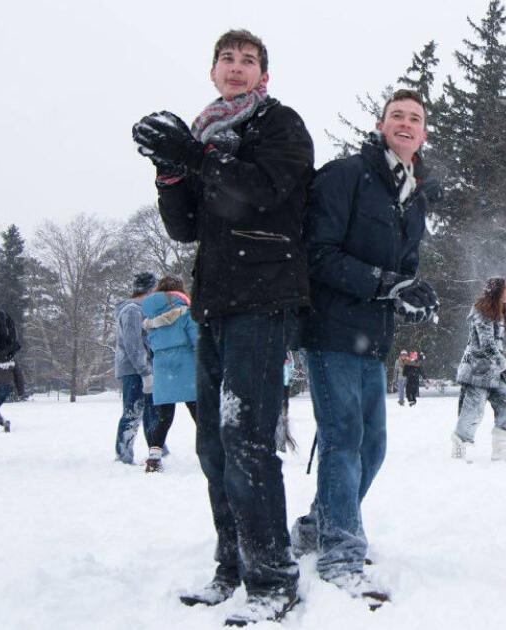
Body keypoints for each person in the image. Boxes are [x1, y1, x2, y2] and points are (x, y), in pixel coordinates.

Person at [133, 28, 314, 625]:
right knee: (213, 442)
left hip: (263, 302)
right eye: (226, 60)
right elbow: (186, 228)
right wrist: (169, 174)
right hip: (211, 304)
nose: (236, 68)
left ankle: (272, 577)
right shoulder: (205, 133)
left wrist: (197, 158)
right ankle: (232, 565)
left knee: (247, 439)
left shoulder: (279, 126)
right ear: (213, 71)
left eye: (248, 61)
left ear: (263, 73)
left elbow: (260, 193)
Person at [291, 88, 439, 608]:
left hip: (373, 338)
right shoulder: (347, 175)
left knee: (371, 445)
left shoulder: (413, 197)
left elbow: (405, 270)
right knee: (344, 437)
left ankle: (316, 527)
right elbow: (318, 254)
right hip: (332, 330)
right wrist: (385, 283)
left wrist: (411, 294)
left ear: (422, 134)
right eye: (396, 115)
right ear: (382, 126)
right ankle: (340, 554)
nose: (405, 123)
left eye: (414, 118)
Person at [452, 277, 506, 462]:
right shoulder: (481, 311)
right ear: (497, 291)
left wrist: (501, 366)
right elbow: (487, 345)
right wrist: (504, 365)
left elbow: (495, 347)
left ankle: (500, 450)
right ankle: (459, 449)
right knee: (473, 411)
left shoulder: (499, 311)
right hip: (476, 371)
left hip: (494, 372)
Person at [141, 276, 199, 473]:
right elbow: (196, 339)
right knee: (199, 414)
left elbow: (149, 345)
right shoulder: (185, 312)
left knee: (164, 416)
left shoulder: (150, 317)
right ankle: (211, 450)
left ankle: (154, 457)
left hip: (162, 365)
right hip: (186, 364)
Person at [114, 272, 157, 465]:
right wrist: (145, 371)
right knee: (133, 411)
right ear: (149, 290)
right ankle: (124, 453)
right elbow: (133, 344)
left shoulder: (142, 309)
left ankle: (158, 448)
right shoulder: (132, 310)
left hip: (143, 369)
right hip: (134, 370)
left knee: (152, 410)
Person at [0, 359, 26, 432]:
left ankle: (3, 422)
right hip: (7, 386)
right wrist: (20, 390)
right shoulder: (10, 356)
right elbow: (18, 374)